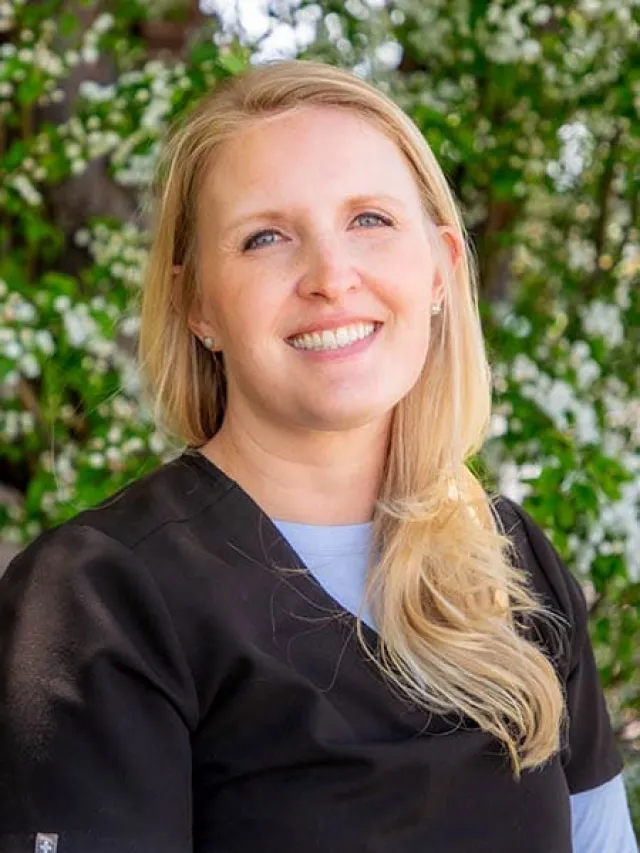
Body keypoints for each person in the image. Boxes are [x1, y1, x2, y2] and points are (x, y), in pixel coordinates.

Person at [0, 60, 636, 853]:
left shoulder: (514, 564)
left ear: (440, 267)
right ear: (197, 304)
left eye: (369, 219)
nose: (332, 278)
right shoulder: (101, 600)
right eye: (266, 237)